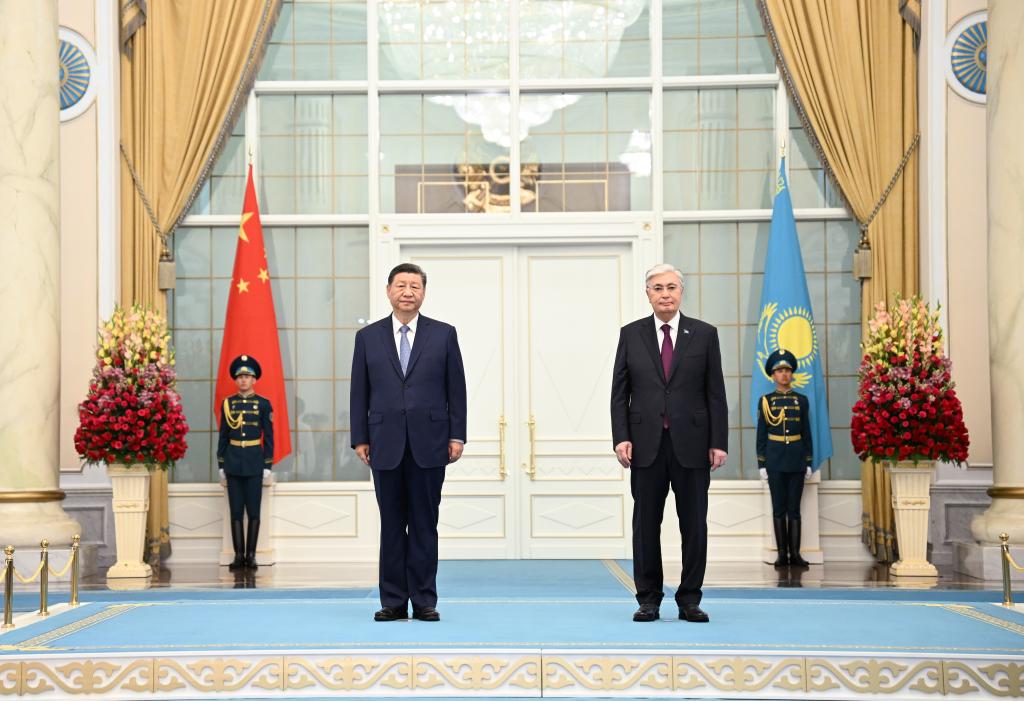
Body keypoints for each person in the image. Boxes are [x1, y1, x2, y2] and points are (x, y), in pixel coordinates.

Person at [611, 263, 728, 623]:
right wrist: (621, 437)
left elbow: (715, 392)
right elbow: (620, 392)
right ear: (648, 294)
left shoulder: (704, 334)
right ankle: (648, 599)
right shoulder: (631, 334)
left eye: (671, 287)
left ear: (681, 292)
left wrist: (718, 441)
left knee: (694, 525)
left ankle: (690, 599)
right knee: (646, 526)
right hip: (645, 445)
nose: (665, 294)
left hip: (693, 444)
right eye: (658, 288)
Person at [350, 262, 467, 622]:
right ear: (389, 291)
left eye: (415, 286)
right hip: (383, 443)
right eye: (401, 285)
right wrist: (359, 437)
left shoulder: (443, 334)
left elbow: (456, 388)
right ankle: (393, 601)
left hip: (430, 443)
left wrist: (457, 434)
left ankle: (425, 600)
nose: (407, 292)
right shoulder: (367, 337)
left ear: (423, 293)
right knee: (391, 525)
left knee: (423, 524)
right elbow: (359, 391)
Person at [756, 349, 812, 568]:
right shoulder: (766, 401)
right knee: (779, 509)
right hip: (775, 460)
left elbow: (807, 432)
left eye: (787, 370)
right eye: (779, 371)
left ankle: (795, 554)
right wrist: (762, 463)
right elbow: (761, 435)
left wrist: (808, 461)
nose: (784, 374)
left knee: (794, 510)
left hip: (796, 460)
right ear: (773, 375)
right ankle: (782, 555)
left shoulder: (802, 401)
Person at [217, 355, 274, 571]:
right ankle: (238, 556)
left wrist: (267, 465)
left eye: (247, 377)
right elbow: (223, 436)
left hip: (254, 463)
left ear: (254, 379)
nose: (243, 380)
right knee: (235, 513)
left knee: (254, 512)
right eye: (240, 377)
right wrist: (221, 463)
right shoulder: (228, 404)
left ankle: (251, 556)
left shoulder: (263, 404)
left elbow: (269, 437)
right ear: (236, 379)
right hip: (233, 463)